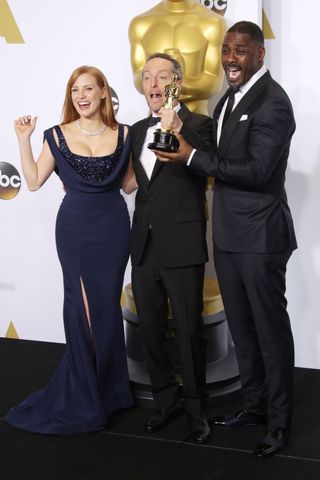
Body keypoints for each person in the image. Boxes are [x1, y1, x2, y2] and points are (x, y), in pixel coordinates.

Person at [152, 22, 297, 458]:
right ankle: (253, 406)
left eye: (240, 50)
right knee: (242, 331)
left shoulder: (274, 103)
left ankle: (279, 421)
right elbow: (218, 157)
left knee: (270, 334)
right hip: (230, 236)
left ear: (260, 54)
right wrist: (179, 135)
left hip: (261, 237)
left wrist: (191, 156)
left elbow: (257, 171)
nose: (231, 58)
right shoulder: (228, 99)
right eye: (226, 50)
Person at [5, 65, 136, 435]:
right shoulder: (56, 136)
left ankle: (111, 391)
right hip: (75, 229)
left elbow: (128, 186)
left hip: (113, 227)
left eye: (89, 89)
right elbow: (31, 182)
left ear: (103, 93)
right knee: (82, 310)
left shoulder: (125, 134)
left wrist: (155, 154)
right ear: (70, 96)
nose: (81, 95)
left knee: (107, 308)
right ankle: (85, 390)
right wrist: (23, 138)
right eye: (75, 89)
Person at [130, 52, 213, 444]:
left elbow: (209, 164)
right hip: (144, 245)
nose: (153, 83)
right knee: (149, 328)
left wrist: (178, 126)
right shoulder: (134, 131)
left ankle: (197, 408)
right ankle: (167, 401)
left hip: (182, 243)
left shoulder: (200, 124)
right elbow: (133, 183)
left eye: (161, 76)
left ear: (176, 82)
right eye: (147, 76)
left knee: (189, 329)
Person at [129, 0, 226, 114]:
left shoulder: (213, 23)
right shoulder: (140, 24)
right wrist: (168, 81)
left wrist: (171, 82)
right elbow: (138, 78)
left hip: (197, 122)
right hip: (155, 120)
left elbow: (213, 83)